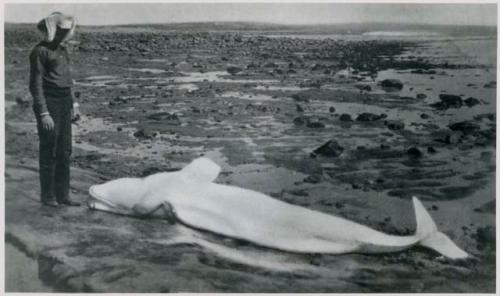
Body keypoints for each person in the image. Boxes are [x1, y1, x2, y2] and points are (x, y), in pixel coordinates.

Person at [29, 12, 81, 207]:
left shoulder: (62, 50)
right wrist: (43, 113)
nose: (63, 34)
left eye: (65, 31)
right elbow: (36, 86)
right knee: (49, 150)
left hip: (64, 102)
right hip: (49, 103)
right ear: (53, 29)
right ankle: (48, 196)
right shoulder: (39, 51)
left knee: (65, 150)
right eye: (60, 30)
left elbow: (67, 81)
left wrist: (74, 104)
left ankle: (63, 195)